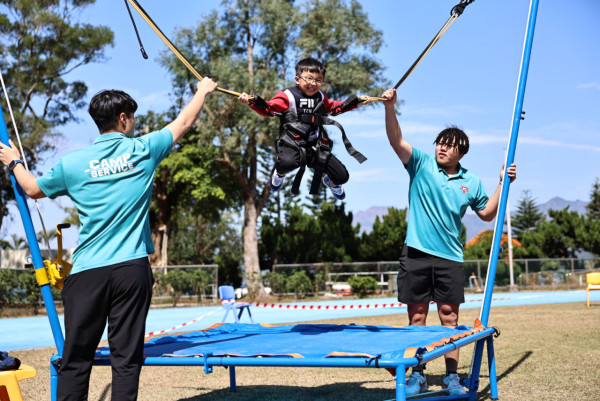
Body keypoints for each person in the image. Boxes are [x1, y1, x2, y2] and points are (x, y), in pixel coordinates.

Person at [0, 77, 218, 401]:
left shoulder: (73, 163)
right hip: (131, 270)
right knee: (126, 360)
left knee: (75, 360)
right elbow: (184, 121)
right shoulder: (143, 150)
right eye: (133, 117)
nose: (134, 124)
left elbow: (31, 188)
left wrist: (14, 161)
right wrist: (202, 91)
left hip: (88, 271)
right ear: (123, 118)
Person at [382, 88, 516, 396]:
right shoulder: (420, 164)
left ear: (461, 152)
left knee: (449, 318)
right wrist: (390, 108)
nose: (443, 148)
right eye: (441, 143)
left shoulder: (471, 181)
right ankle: (417, 374)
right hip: (415, 253)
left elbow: (486, 214)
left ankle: (452, 376)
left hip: (451, 258)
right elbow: (395, 139)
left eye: (450, 146)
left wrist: (501, 183)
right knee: (416, 317)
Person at [238, 57, 371, 200]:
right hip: (292, 143)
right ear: (297, 79)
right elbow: (269, 109)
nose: (313, 84)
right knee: (286, 163)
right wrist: (251, 102)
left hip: (315, 146)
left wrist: (356, 102)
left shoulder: (320, 97)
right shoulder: (287, 96)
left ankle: (332, 184)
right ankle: (279, 174)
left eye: (318, 80)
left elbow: (334, 108)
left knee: (342, 176)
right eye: (309, 78)